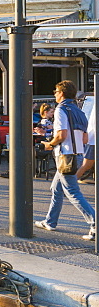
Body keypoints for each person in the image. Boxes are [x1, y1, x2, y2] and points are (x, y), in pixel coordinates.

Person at [36, 80, 96, 240]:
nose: (54, 94)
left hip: (65, 156)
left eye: (56, 91)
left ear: (61, 93)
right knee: (56, 188)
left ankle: (95, 223)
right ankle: (50, 221)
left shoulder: (61, 109)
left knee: (72, 192)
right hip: (78, 155)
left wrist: (49, 144)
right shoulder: (80, 111)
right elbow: (84, 139)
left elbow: (61, 135)